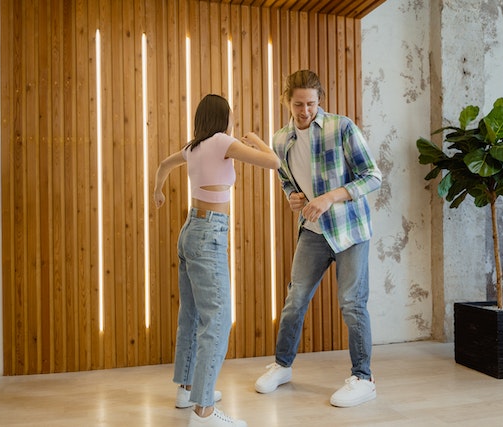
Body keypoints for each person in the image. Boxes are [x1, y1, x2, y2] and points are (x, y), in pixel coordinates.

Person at [254, 70, 382, 408]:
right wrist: (293, 198)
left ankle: (363, 378)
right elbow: (287, 181)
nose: (305, 111)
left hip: (350, 230)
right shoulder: (281, 139)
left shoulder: (341, 128)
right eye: (298, 104)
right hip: (313, 232)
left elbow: (372, 176)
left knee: (352, 304)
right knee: (295, 300)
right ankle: (282, 366)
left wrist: (329, 197)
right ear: (287, 101)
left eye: (311, 103)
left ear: (319, 100)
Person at [154, 94, 280, 427]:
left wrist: (158, 192)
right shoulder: (223, 141)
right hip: (209, 233)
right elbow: (274, 162)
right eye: (232, 118)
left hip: (190, 230)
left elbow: (164, 166)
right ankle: (204, 411)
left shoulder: (193, 147)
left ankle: (188, 389)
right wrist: (253, 139)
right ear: (223, 119)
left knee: (192, 315)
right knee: (218, 320)